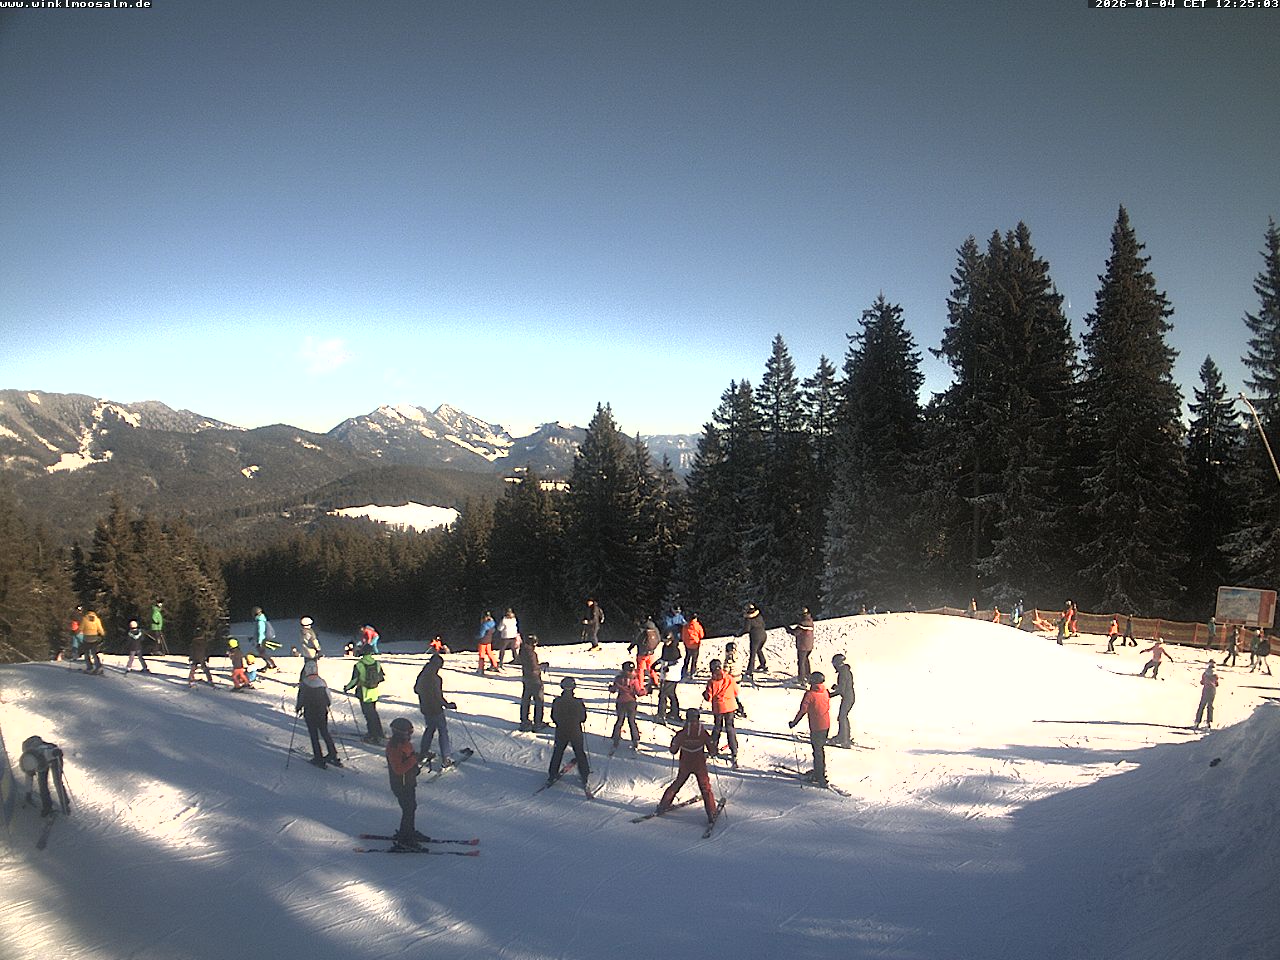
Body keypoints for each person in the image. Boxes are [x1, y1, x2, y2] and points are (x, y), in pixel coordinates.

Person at [655, 708, 718, 823]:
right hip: (699, 764)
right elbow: (712, 749)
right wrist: (712, 751)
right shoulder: (703, 733)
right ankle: (711, 813)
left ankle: (663, 805)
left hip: (685, 764)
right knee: (705, 788)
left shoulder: (682, 733)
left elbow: (673, 750)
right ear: (698, 718)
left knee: (677, 784)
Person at [385, 717, 426, 849]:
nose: (410, 735)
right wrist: (413, 760)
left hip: (408, 781)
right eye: (408, 732)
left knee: (411, 807)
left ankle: (408, 831)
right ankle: (405, 838)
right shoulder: (394, 748)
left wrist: (417, 761)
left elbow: (410, 757)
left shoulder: (405, 743)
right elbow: (399, 769)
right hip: (400, 784)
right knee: (408, 809)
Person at [547, 677, 592, 789]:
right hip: (575, 730)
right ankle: (585, 775)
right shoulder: (578, 702)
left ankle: (552, 775)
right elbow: (583, 718)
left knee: (558, 752)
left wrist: (560, 722)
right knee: (579, 752)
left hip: (561, 730)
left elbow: (553, 717)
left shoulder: (557, 701)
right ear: (573, 688)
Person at [789, 672, 831, 787]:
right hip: (826, 725)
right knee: (820, 749)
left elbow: (803, 710)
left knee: (817, 751)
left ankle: (820, 776)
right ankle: (819, 771)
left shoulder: (810, 694)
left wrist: (794, 723)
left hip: (816, 726)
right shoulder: (825, 692)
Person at [414, 654, 456, 769]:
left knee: (430, 729)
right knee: (442, 731)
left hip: (425, 707)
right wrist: (447, 705)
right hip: (435, 709)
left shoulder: (422, 674)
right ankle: (446, 758)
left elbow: (416, 689)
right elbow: (438, 696)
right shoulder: (435, 678)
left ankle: (423, 752)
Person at [296, 660, 341, 767]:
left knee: (314, 734)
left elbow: (301, 698)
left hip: (310, 711)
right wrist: (327, 705)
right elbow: (328, 697)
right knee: (324, 732)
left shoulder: (304, 683)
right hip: (321, 711)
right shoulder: (322, 682)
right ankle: (333, 754)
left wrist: (298, 707)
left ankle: (318, 757)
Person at [19, 736, 69, 818]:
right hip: (40, 761)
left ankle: (65, 804)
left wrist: (56, 753)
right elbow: (28, 779)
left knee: (57, 782)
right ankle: (47, 807)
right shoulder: (27, 763)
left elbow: (53, 752)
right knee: (42, 784)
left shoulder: (46, 753)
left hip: (54, 758)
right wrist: (28, 793)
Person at [703, 658, 740, 768]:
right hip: (730, 706)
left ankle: (713, 749)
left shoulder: (712, 682)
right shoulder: (729, 678)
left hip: (718, 707)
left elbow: (709, 697)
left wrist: (705, 694)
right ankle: (734, 750)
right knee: (730, 728)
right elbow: (736, 691)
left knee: (717, 728)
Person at [344, 644, 385, 743]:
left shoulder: (359, 665)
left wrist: (347, 687)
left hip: (364, 692)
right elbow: (381, 677)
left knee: (368, 714)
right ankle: (379, 732)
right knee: (373, 712)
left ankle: (372, 734)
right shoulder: (377, 663)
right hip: (374, 692)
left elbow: (354, 680)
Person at [608, 661, 645, 753]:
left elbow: (613, 690)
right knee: (632, 721)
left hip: (620, 702)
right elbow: (639, 692)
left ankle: (616, 739)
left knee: (619, 721)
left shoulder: (618, 679)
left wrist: (610, 688)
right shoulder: (634, 680)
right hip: (631, 702)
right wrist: (646, 690)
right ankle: (635, 740)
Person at [517, 633, 546, 731]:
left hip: (526, 677)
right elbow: (533, 667)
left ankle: (524, 721)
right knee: (539, 700)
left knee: (526, 699)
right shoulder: (531, 653)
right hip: (534, 679)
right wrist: (541, 666)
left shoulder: (523, 650)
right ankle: (538, 722)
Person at [653, 637, 683, 723]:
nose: (665, 642)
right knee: (671, 694)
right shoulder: (665, 648)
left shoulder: (674, 650)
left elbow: (678, 662)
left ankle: (661, 715)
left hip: (671, 676)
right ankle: (674, 712)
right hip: (665, 675)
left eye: (667, 641)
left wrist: (669, 667)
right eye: (664, 640)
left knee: (663, 695)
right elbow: (663, 658)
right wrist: (656, 663)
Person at [828, 653, 855, 748]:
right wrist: (836, 687)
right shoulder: (846, 671)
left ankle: (844, 738)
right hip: (849, 696)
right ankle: (844, 736)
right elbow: (845, 686)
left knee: (842, 717)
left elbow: (841, 690)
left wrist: (829, 695)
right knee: (843, 716)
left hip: (848, 697)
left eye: (834, 664)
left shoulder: (842, 673)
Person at [785, 608, 815, 685]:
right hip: (809, 645)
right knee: (805, 660)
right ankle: (808, 675)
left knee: (801, 662)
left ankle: (801, 679)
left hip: (803, 646)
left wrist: (787, 628)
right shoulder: (810, 620)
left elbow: (795, 632)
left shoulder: (803, 624)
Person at [632, 616, 661, 690]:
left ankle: (641, 686)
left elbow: (635, 639)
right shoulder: (654, 628)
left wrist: (631, 647)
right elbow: (658, 639)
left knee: (640, 670)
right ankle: (656, 681)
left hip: (641, 652)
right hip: (651, 652)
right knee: (651, 667)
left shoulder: (641, 629)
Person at [742, 603, 768, 678]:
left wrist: (738, 633)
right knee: (759, 649)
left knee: (753, 653)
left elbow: (746, 629)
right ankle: (763, 663)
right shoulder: (759, 616)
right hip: (764, 635)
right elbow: (763, 625)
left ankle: (750, 670)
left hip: (755, 637)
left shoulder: (749, 619)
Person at [723, 641, 748, 718]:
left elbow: (726, 671)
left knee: (731, 695)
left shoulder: (729, 659)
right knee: (735, 694)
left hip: (732, 679)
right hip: (738, 677)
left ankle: (738, 708)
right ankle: (738, 708)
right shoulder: (738, 656)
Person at [1193, 661, 1218, 731]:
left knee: (1202, 705)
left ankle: (1197, 722)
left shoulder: (1205, 674)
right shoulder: (1215, 674)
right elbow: (1217, 684)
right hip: (1212, 690)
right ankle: (1209, 723)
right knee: (1210, 706)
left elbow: (1202, 682)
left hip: (1205, 689)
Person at [80, 609, 106, 674]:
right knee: (94, 653)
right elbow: (100, 628)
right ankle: (98, 666)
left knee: (86, 653)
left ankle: (89, 667)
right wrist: (103, 634)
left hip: (86, 638)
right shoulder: (97, 619)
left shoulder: (84, 619)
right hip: (94, 637)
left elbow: (81, 628)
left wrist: (76, 632)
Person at [681, 612, 704, 679]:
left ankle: (684, 671)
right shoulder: (698, 626)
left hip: (687, 644)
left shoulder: (685, 626)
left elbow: (683, 636)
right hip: (695, 644)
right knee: (694, 659)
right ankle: (692, 672)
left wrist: (685, 642)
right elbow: (702, 635)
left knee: (687, 658)